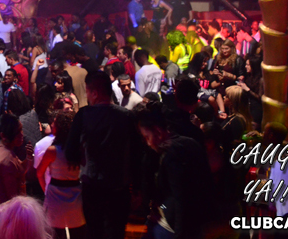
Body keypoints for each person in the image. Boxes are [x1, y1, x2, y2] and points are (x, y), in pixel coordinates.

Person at [65, 71, 138, 239]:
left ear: (95, 93)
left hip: (92, 185)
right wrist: (138, 187)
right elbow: (136, 153)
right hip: (119, 186)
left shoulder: (84, 115)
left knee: (94, 231)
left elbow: (70, 151)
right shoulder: (126, 116)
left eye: (87, 92)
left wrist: (77, 159)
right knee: (116, 231)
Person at [137, 102, 214, 239]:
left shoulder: (171, 156)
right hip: (198, 222)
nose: (148, 143)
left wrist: (179, 234)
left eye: (147, 137)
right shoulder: (191, 143)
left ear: (158, 132)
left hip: (172, 226)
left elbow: (180, 198)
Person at [36, 110, 85, 238]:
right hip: (76, 196)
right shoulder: (80, 149)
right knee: (78, 234)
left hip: (55, 198)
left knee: (56, 234)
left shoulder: (52, 151)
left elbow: (39, 173)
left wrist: (46, 190)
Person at [0, 113, 31, 226]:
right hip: (9, 217)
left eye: (21, 130)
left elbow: (19, 168)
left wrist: (28, 158)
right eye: (18, 132)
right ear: (3, 135)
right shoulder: (7, 160)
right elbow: (13, 198)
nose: (22, 134)